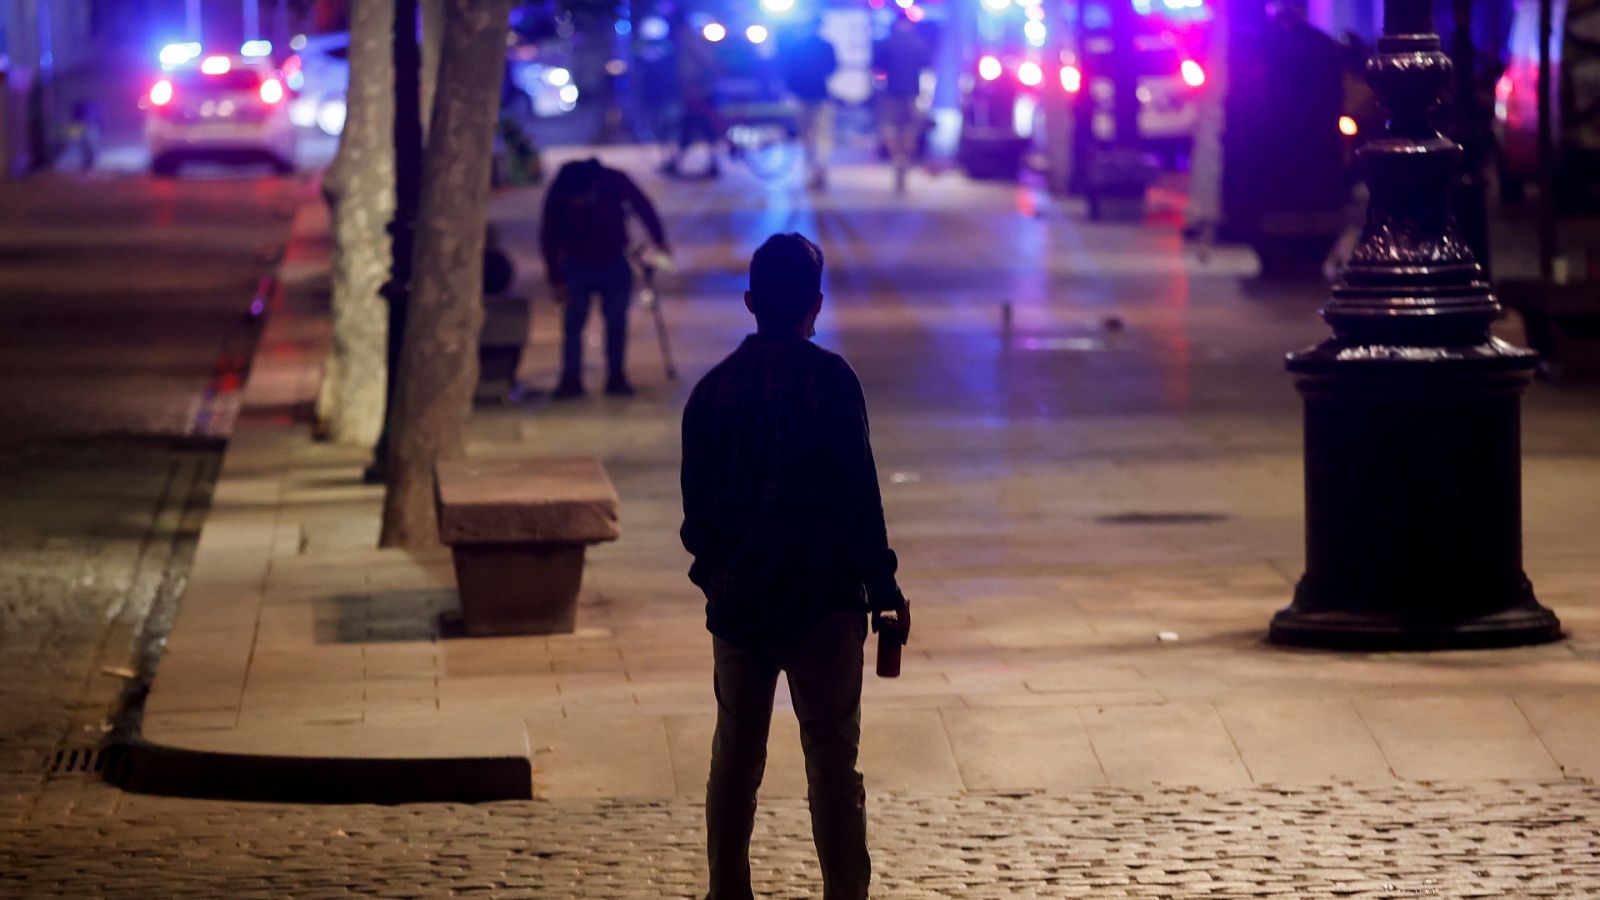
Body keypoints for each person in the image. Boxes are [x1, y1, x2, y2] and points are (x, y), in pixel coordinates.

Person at [681, 233, 911, 899]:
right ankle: (846, 892)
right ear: (815, 304)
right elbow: (858, 497)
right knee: (833, 763)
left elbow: (697, 519)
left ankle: (728, 890)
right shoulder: (832, 383)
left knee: (735, 761)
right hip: (825, 605)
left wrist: (719, 567)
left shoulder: (712, 393)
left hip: (740, 606)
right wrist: (884, 586)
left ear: (750, 302)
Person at [539, 158, 669, 397]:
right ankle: (572, 378)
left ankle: (615, 376)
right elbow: (549, 233)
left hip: (612, 261)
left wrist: (660, 240)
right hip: (577, 265)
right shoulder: (563, 187)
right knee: (575, 324)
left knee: (614, 322)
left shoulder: (613, 180)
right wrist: (555, 278)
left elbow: (642, 206)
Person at [872, 15, 930, 194]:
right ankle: (905, 159)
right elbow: (926, 64)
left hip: (891, 93)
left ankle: (897, 158)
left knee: (890, 129)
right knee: (909, 130)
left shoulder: (887, 43)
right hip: (912, 93)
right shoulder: (918, 43)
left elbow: (877, 67)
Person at [781, 20, 839, 191]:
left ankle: (813, 170)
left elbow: (787, 71)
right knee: (822, 135)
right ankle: (820, 169)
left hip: (803, 96)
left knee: (807, 136)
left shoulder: (796, 47)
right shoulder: (826, 46)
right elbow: (833, 67)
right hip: (821, 94)